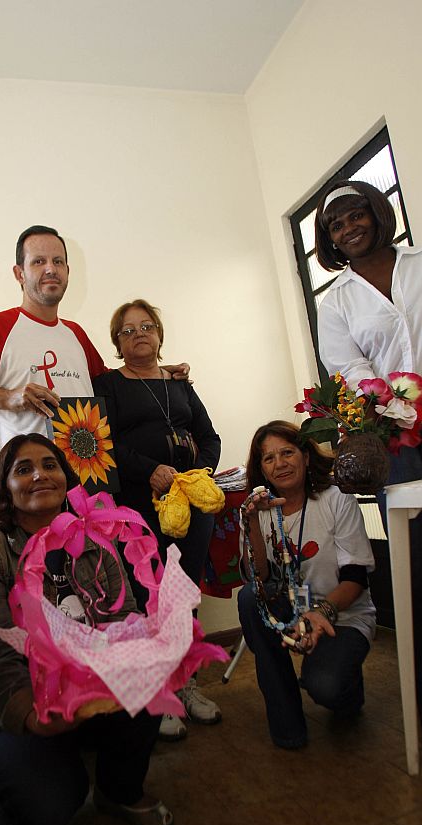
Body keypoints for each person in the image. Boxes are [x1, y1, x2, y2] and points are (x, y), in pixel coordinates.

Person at [0, 433, 173, 825]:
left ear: (65, 479)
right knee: (48, 806)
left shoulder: (96, 539)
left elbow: (123, 617)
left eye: (49, 465)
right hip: (1, 704)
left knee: (153, 680)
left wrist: (132, 666)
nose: (39, 475)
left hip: (74, 687)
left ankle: (117, 792)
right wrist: (32, 717)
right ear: (3, 487)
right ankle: (0, 799)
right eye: (23, 469)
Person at [0, 226, 190, 458]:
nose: (50, 269)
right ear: (19, 274)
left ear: (67, 271)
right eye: (38, 262)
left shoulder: (75, 334)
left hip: (89, 482)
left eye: (58, 261)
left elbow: (112, 385)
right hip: (29, 489)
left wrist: (157, 373)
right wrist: (7, 398)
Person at [93, 300, 222, 740]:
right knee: (150, 594)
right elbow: (103, 442)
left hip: (189, 503)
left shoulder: (179, 383)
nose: (139, 334)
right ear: (117, 343)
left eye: (146, 326)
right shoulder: (107, 384)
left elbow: (209, 436)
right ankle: (159, 694)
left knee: (184, 595)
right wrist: (149, 470)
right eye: (127, 330)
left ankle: (186, 685)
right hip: (139, 502)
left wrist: (196, 472)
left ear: (160, 334)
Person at [315, 179, 422, 703]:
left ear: (378, 213)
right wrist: (400, 403)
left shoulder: (419, 262)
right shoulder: (336, 301)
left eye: (356, 215)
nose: (349, 228)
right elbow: (349, 367)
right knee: (414, 553)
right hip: (395, 438)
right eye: (336, 225)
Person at [238, 421, 376, 749]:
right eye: (269, 458)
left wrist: (322, 612)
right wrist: (253, 523)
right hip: (291, 611)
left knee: (326, 687)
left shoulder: (336, 499)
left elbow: (356, 579)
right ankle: (288, 729)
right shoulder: (258, 508)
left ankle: (345, 686)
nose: (280, 463)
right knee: (248, 598)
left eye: (287, 452)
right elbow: (258, 577)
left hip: (342, 615)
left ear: (306, 456)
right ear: (261, 469)